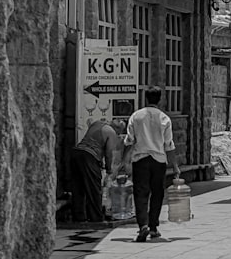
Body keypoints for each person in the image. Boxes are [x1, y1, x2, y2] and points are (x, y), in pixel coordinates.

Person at [124, 89, 180, 242]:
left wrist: (124, 161)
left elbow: (129, 140)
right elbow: (169, 145)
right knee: (157, 193)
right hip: (158, 161)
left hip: (140, 159)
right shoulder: (164, 118)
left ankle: (143, 225)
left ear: (145, 98)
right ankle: (153, 227)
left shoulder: (136, 116)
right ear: (160, 100)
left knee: (140, 192)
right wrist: (175, 166)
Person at [70, 117, 118, 222]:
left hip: (77, 152)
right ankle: (96, 217)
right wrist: (109, 169)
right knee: (94, 188)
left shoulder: (97, 123)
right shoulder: (112, 132)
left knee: (78, 187)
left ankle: (79, 216)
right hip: (90, 156)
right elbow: (109, 153)